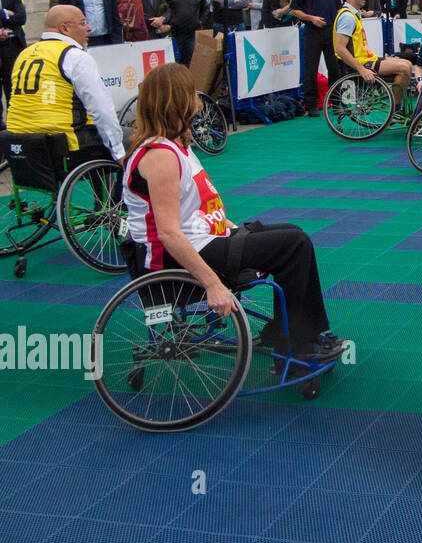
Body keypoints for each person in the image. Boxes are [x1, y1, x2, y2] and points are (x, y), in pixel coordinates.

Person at [122, 62, 347, 366]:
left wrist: (229, 228)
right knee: (294, 245)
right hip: (175, 258)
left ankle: (291, 332)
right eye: (192, 94)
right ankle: (295, 345)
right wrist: (212, 283)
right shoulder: (161, 157)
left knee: (293, 233)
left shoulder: (172, 145)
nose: (198, 101)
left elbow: (196, 206)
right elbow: (168, 233)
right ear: (179, 101)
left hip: (201, 239)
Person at [5, 5, 125, 165]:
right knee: (137, 140)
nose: (89, 28)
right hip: (62, 146)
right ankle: (119, 189)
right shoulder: (75, 56)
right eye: (83, 23)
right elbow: (102, 109)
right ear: (65, 28)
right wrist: (118, 151)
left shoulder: (24, 54)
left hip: (20, 144)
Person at [333, 0, 412, 103]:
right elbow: (339, 48)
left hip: (367, 58)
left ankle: (397, 107)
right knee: (404, 68)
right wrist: (361, 69)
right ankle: (396, 110)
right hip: (360, 63)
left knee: (407, 64)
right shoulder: (347, 17)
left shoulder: (354, 14)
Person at [290, 0, 344, 117]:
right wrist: (311, 18)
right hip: (312, 32)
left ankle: (336, 102)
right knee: (311, 69)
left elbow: (338, 7)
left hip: (330, 31)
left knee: (334, 68)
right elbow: (295, 9)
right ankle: (311, 105)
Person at [158, 0, 210, 66]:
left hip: (192, 33)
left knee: (192, 62)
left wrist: (200, 21)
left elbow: (205, 7)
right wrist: (164, 23)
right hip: (174, 33)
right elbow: (161, 8)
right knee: (175, 63)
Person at [0, 0, 28, 108]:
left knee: (12, 85)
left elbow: (21, 18)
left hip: (12, 45)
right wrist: (7, 14)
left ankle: (14, 122)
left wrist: (3, 12)